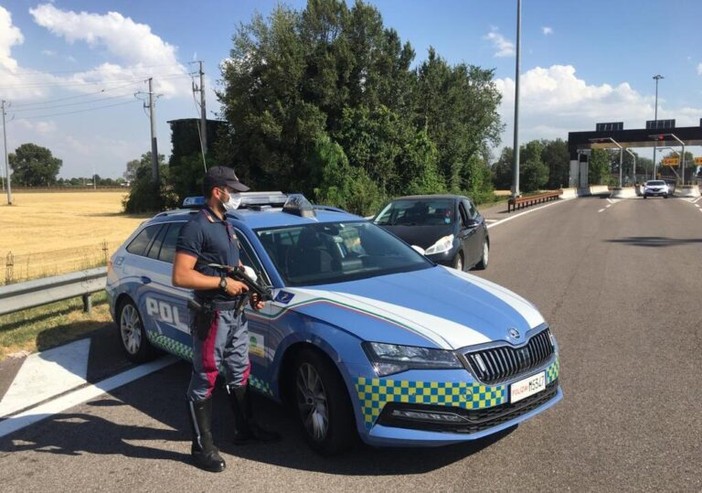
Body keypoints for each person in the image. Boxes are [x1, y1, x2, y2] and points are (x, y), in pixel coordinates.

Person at [172, 165, 279, 473]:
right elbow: (181, 275)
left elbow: (231, 266)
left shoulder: (225, 223)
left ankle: (245, 430)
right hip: (213, 315)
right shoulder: (196, 226)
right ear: (217, 192)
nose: (236, 196)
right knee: (205, 375)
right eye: (232, 191)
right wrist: (222, 285)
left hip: (235, 312)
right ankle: (201, 447)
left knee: (239, 372)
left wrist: (252, 288)